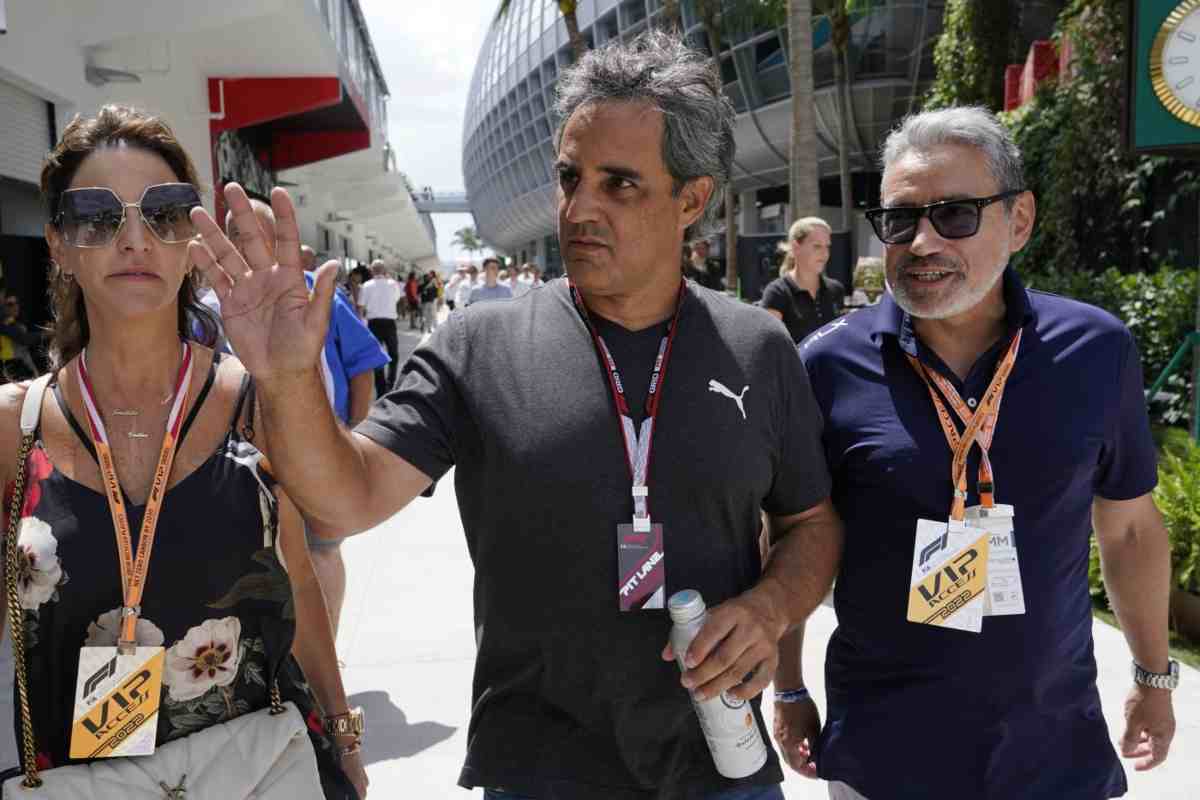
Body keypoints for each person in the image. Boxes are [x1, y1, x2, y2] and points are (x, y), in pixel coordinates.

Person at [187, 31, 842, 800]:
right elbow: (344, 495)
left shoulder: (756, 347)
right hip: (537, 772)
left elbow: (813, 521)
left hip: (720, 767)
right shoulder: (480, 345)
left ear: (691, 200)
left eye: (620, 184)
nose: (580, 208)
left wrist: (769, 610)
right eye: (570, 177)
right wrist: (290, 375)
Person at [781, 106, 1177, 798]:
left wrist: (1152, 674)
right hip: (883, 757)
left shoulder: (1096, 351)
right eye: (901, 219)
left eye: (956, 214)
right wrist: (788, 690)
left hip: (1052, 752)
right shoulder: (826, 365)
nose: (923, 241)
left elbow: (1132, 528)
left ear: (1018, 220)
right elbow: (792, 532)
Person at [0, 105, 366, 798]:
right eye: (97, 215)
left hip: (265, 771)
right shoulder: (12, 427)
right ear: (58, 243)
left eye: (164, 212)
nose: (134, 238)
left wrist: (343, 732)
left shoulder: (257, 401)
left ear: (194, 238)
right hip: (84, 783)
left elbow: (302, 584)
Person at [225, 200, 388, 641]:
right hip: (242, 461)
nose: (244, 244)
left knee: (320, 551)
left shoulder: (317, 293)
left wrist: (354, 433)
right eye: (236, 234)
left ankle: (326, 656)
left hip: (313, 453)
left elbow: (361, 365)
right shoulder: (214, 302)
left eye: (255, 234)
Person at [758, 218, 845, 344]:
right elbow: (769, 344)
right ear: (796, 247)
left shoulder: (836, 289)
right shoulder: (776, 293)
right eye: (817, 246)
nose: (825, 253)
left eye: (827, 246)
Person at [358, 261, 402, 397]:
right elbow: (396, 299)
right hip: (389, 323)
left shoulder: (366, 285)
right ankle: (391, 383)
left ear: (372, 271)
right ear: (384, 270)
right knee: (393, 354)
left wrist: (361, 324)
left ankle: (381, 389)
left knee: (377, 356)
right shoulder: (393, 284)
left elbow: (360, 306)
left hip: (373, 324)